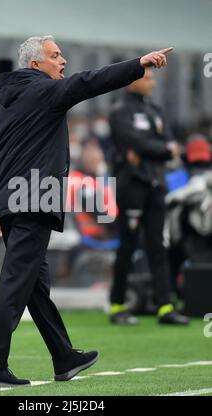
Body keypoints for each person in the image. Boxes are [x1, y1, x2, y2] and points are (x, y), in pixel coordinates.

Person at [0, 35, 174, 387]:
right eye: (55, 56)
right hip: (35, 199)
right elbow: (90, 82)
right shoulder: (45, 92)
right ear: (36, 64)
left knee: (34, 287)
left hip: (14, 201)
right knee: (16, 283)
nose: (63, 61)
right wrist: (137, 65)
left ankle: (63, 356)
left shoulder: (5, 102)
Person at [108, 67, 190, 325]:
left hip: (156, 185)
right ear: (132, 82)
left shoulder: (156, 111)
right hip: (132, 186)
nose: (152, 83)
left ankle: (165, 307)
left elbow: (169, 144)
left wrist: (154, 149)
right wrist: (161, 149)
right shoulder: (120, 110)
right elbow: (135, 142)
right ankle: (117, 305)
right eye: (148, 78)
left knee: (158, 246)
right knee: (128, 246)